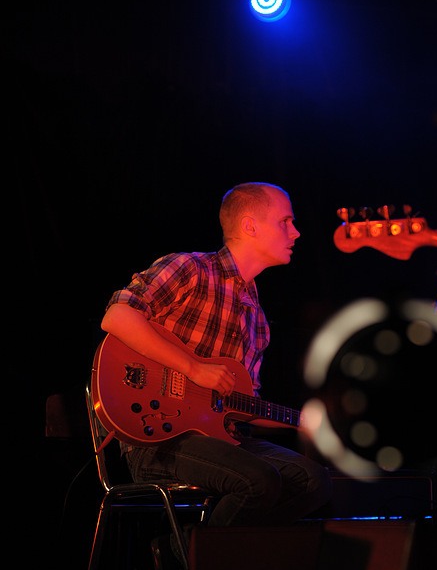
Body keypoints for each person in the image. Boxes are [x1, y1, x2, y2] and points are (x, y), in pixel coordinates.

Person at [101, 182, 333, 533]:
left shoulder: (256, 319)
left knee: (315, 480)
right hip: (157, 436)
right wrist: (194, 369)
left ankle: (226, 561)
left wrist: (306, 421)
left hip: (220, 440)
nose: (297, 232)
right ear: (250, 226)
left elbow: (243, 406)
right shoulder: (190, 269)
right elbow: (117, 316)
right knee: (258, 480)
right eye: (286, 221)